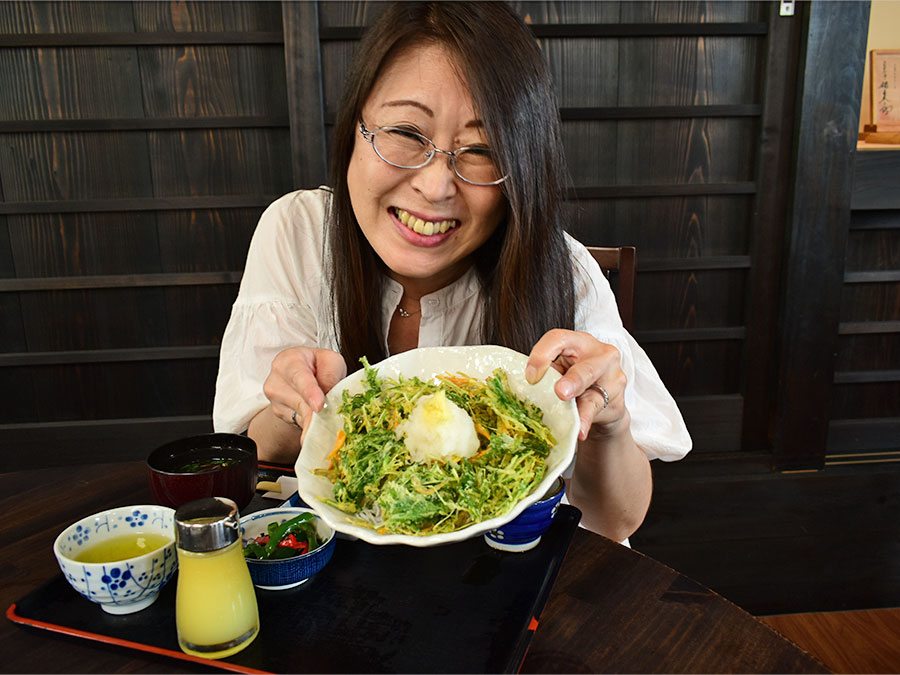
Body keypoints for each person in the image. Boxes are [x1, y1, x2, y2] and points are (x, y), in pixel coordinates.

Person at [213, 1, 691, 543]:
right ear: (354, 128)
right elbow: (266, 462)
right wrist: (293, 407)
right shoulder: (297, 233)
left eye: (483, 149)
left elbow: (616, 522)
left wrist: (611, 424)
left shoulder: (565, 272)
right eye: (406, 133)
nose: (436, 187)